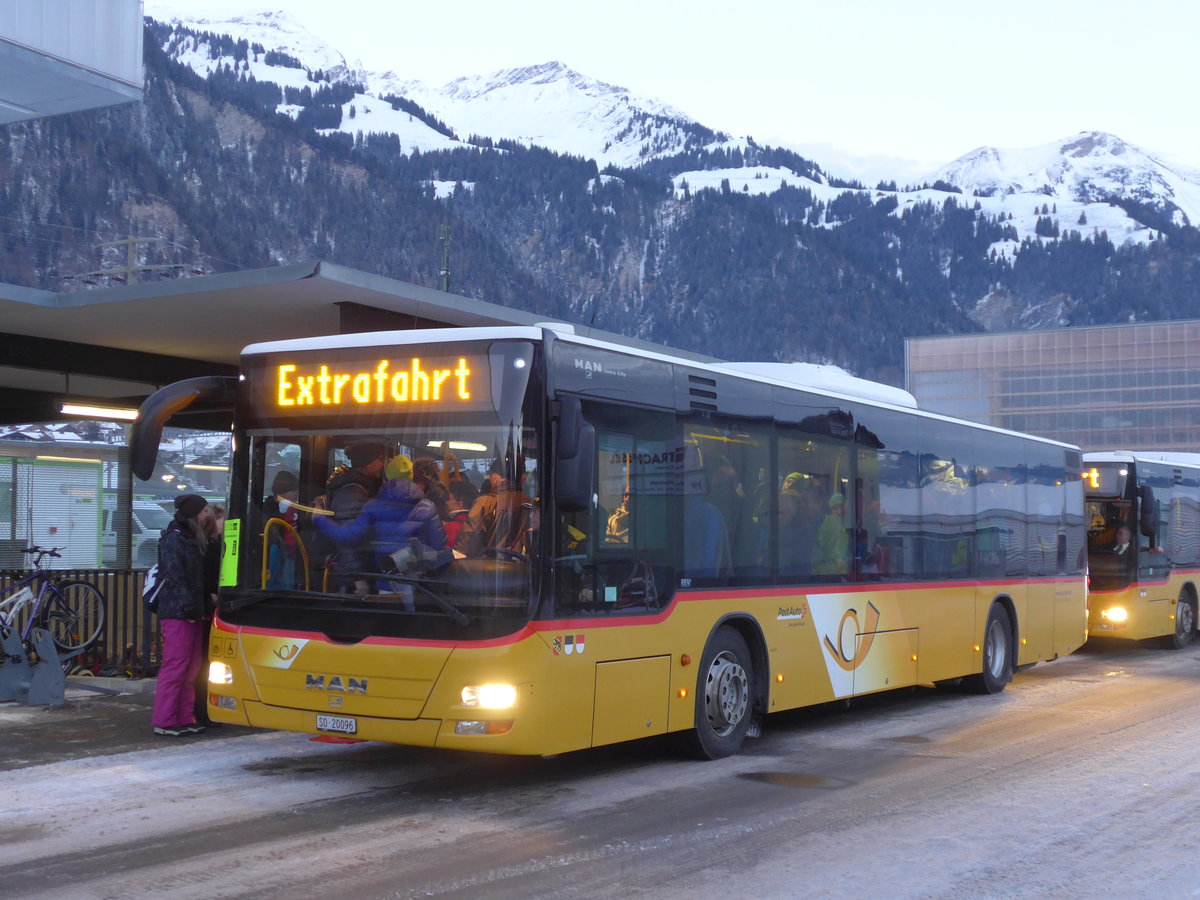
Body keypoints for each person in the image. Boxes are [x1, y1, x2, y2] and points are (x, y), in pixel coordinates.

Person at [313, 454, 448, 583]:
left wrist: (319, 518)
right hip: (418, 585)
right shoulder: (428, 507)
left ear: (387, 476)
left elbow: (347, 536)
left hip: (383, 581)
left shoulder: (372, 507)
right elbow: (438, 547)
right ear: (411, 476)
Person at [151, 493, 214, 737]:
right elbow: (174, 575)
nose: (207, 515)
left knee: (191, 667)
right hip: (178, 612)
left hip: (191, 610)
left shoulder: (189, 537)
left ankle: (185, 717)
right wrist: (189, 605)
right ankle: (165, 720)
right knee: (177, 665)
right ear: (194, 514)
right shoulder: (174, 538)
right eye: (204, 511)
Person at [320, 443, 385, 593]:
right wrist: (358, 578)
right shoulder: (352, 492)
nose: (383, 463)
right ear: (368, 464)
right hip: (351, 580)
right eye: (380, 459)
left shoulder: (362, 487)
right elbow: (347, 540)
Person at [454, 471, 534, 558]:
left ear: (497, 476)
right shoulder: (528, 501)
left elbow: (469, 536)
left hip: (489, 562)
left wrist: (459, 556)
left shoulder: (485, 502)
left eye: (491, 475)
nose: (490, 479)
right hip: (519, 561)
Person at [262, 470, 301, 589]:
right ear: (282, 492)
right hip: (278, 550)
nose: (297, 493)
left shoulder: (293, 509)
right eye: (293, 490)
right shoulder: (269, 511)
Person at [812, 492, 850, 578]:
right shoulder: (830, 524)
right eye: (835, 508)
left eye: (841, 508)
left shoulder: (843, 524)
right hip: (828, 573)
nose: (839, 512)